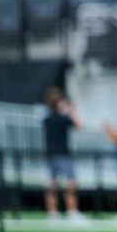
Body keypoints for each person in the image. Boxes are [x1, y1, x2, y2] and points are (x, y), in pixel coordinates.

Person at [42, 87, 86, 223]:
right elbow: (80, 126)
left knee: (51, 184)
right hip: (63, 155)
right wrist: (72, 110)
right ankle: (72, 213)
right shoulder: (63, 119)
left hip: (50, 154)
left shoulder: (47, 119)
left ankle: (53, 214)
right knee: (70, 184)